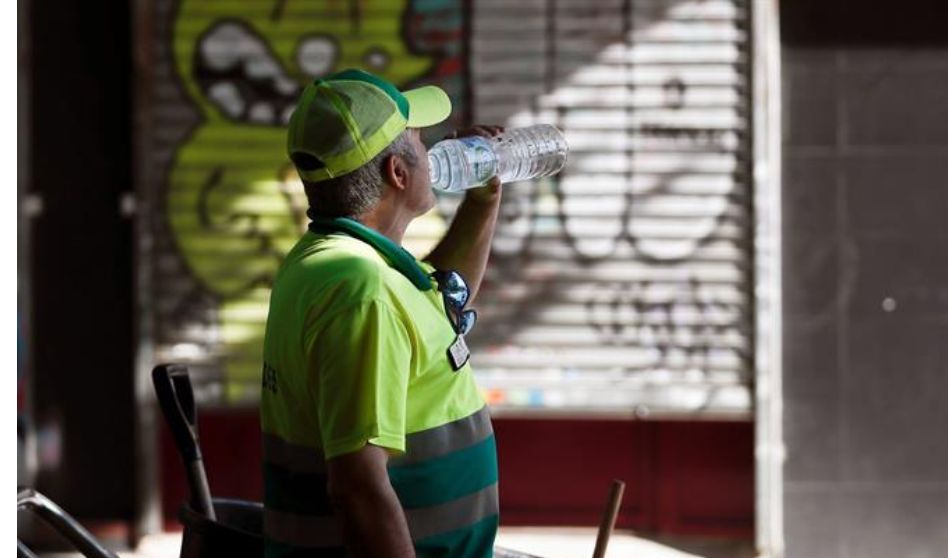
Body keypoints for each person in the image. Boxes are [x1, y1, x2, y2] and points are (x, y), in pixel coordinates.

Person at [260, 68, 504, 558]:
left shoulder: (339, 261)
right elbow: (358, 489)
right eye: (418, 137)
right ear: (398, 171)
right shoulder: (361, 291)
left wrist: (484, 199)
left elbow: (443, 304)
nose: (431, 149)